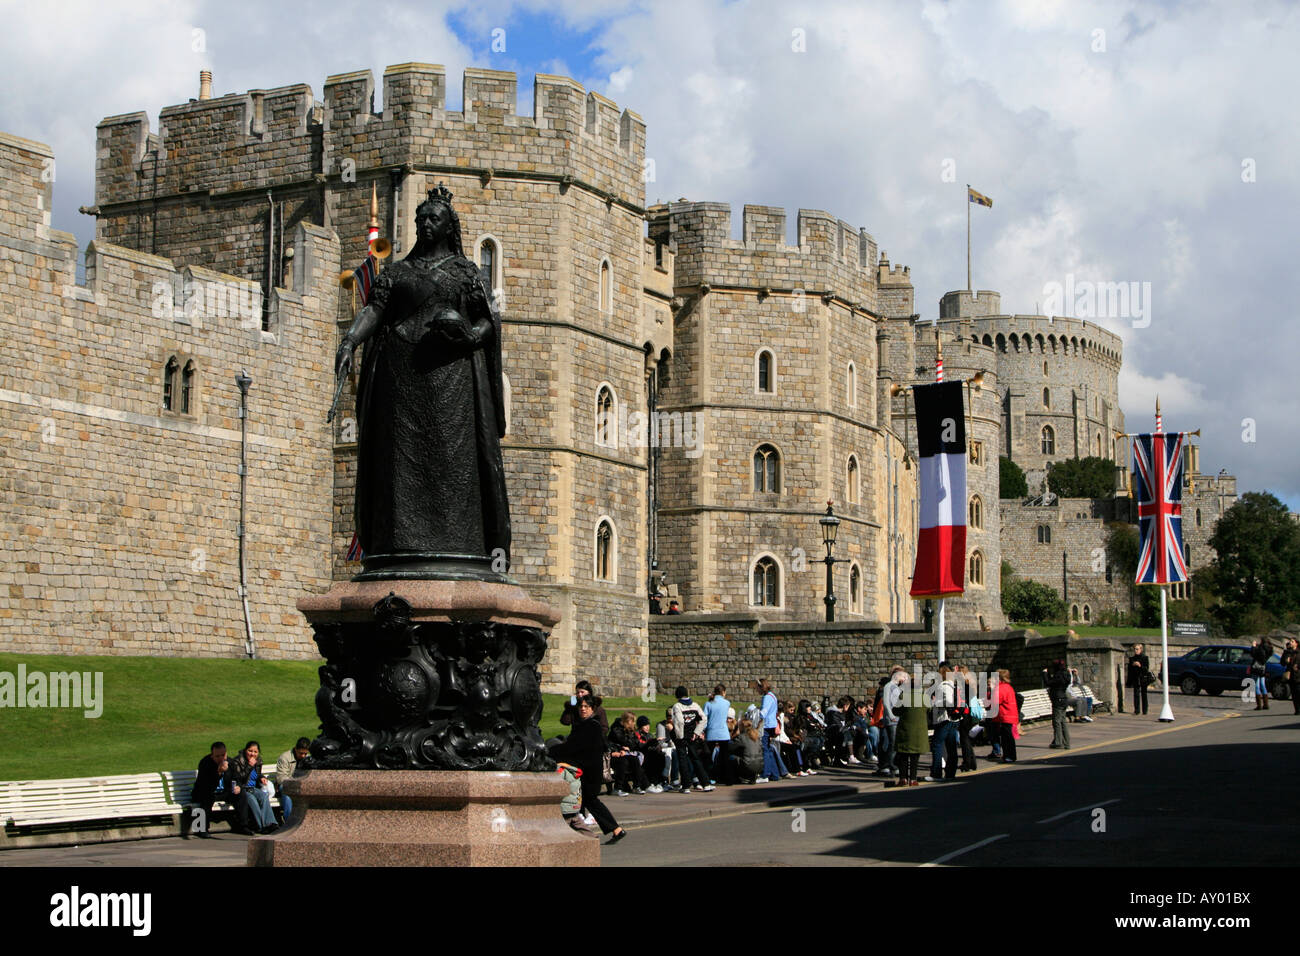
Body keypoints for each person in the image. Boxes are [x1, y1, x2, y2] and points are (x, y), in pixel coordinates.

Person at [334, 183, 510, 576]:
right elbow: (374, 311)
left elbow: (488, 321)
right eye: (421, 219)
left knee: (452, 463)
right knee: (398, 463)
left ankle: (456, 546)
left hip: (452, 383)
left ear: (450, 226)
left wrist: (469, 335)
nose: (426, 224)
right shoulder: (397, 273)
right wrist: (349, 340)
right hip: (401, 379)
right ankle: (398, 545)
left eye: (434, 218)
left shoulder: (466, 273)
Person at [549, 695, 627, 844]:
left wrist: (553, 751)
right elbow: (569, 733)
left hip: (589, 772)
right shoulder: (584, 724)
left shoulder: (592, 726)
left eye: (586, 707)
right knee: (583, 802)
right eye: (581, 707)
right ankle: (612, 830)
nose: (583, 709)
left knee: (587, 801)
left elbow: (575, 747)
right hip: (584, 770)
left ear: (592, 709)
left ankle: (607, 831)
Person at [225, 740, 277, 835]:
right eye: (250, 751)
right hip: (243, 788)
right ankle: (260, 826)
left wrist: (261, 778)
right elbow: (239, 777)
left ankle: (270, 823)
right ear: (245, 750)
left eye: (255, 752)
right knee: (252, 800)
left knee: (264, 796)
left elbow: (256, 775)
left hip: (253, 788)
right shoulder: (237, 761)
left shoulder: (258, 761)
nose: (252, 754)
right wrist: (249, 766)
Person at [670, 686, 714, 791]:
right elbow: (703, 719)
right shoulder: (695, 705)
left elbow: (679, 721)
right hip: (692, 737)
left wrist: (679, 736)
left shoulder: (677, 706)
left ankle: (686, 786)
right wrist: (697, 732)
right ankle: (706, 784)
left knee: (683, 760)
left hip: (682, 736)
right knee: (696, 759)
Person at [925, 665, 959, 782]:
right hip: (954, 719)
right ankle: (951, 772)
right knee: (951, 747)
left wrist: (935, 703)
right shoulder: (953, 685)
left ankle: (936, 772)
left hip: (944, 719)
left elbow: (948, 701)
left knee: (936, 745)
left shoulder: (943, 686)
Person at [891, 680, 928, 787]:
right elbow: (928, 709)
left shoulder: (904, 696)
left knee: (903, 755)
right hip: (919, 732)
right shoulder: (924, 697)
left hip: (905, 730)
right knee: (915, 757)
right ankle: (913, 779)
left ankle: (903, 778)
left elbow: (896, 711)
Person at [188, 741, 228, 837]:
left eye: (222, 755)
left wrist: (237, 787)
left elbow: (236, 778)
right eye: (217, 756)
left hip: (221, 792)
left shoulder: (229, 762)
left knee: (241, 795)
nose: (220, 758)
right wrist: (218, 772)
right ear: (212, 755)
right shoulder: (205, 763)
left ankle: (244, 825)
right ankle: (202, 829)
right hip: (202, 792)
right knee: (208, 797)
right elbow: (207, 785)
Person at [608, 711, 652, 795]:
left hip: (625, 753)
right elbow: (619, 742)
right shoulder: (616, 729)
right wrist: (621, 749)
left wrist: (628, 747)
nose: (634, 724)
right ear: (628, 721)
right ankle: (618, 788)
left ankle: (637, 786)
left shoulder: (629, 730)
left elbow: (632, 744)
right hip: (615, 753)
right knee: (623, 762)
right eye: (632, 722)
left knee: (635, 760)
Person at [755, 679, 790, 782]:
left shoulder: (766, 698)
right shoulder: (772, 696)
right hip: (772, 725)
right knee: (769, 749)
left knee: (765, 749)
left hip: (766, 726)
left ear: (761, 687)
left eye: (757, 687)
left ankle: (765, 774)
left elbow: (763, 713)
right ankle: (774, 774)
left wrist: (756, 712)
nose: (756, 689)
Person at [274, 737, 311, 823]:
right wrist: (295, 784)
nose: (303, 756)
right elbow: (281, 778)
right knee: (288, 790)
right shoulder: (284, 758)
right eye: (301, 753)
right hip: (286, 786)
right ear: (295, 749)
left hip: (301, 786)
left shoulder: (308, 759)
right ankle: (289, 821)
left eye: (305, 753)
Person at [704, 684, 734, 784]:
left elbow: (704, 718)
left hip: (711, 732)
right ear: (723, 692)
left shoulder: (708, 704)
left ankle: (708, 777)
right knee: (725, 756)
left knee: (708, 757)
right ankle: (727, 778)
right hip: (723, 732)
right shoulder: (727, 703)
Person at [991, 670, 1020, 763]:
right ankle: (1010, 755)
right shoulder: (1008, 687)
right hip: (1009, 714)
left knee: (1006, 738)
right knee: (1008, 737)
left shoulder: (1001, 688)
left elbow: (995, 701)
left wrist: (991, 690)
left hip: (1005, 715)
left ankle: (1009, 755)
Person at [1044, 660, 1071, 749]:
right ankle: (1067, 743)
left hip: (1057, 700)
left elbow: (1048, 683)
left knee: (1057, 721)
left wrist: (1045, 674)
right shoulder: (1066, 674)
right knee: (1063, 721)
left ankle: (1058, 742)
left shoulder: (1058, 675)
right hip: (1064, 699)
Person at [957, 666, 979, 771]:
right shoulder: (971, 684)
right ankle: (972, 761)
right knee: (966, 739)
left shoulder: (963, 686)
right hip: (970, 714)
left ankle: (967, 763)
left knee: (964, 739)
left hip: (965, 715)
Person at [731, 718, 764, 783]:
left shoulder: (741, 737)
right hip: (760, 766)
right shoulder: (756, 737)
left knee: (731, 757)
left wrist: (733, 735)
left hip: (748, 766)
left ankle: (734, 777)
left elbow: (730, 748)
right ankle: (751, 776)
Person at [1126, 644, 1151, 715]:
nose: (1136, 650)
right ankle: (1137, 710)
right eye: (1135, 649)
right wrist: (1133, 665)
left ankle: (1145, 710)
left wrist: (1140, 665)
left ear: (1141, 650)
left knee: (1144, 694)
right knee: (1136, 694)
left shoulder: (1145, 658)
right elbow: (1129, 671)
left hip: (1143, 678)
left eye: (1137, 649)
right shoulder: (1132, 659)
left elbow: (1146, 669)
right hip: (1135, 678)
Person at [1250, 637, 1273, 710]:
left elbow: (1254, 654)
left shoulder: (1260, 649)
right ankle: (1266, 704)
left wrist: (1253, 647)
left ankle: (1259, 705)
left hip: (1256, 668)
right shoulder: (1269, 648)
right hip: (1263, 668)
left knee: (1257, 686)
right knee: (1263, 685)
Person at [1281, 637, 1300, 715]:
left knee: (1299, 692)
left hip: (1299, 675)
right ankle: (1297, 710)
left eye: (1292, 641)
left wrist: (1298, 666)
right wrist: (1286, 660)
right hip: (1290, 675)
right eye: (1290, 642)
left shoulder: (1299, 652)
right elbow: (1282, 663)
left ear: (1296, 643)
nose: (1291, 643)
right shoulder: (1287, 652)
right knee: (1294, 693)